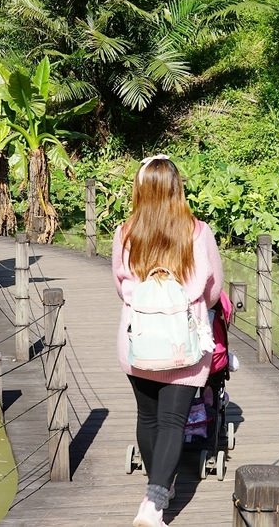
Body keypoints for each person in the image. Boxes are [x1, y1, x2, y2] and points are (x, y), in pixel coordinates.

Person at [113, 155, 223, 527]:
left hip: (138, 340)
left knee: (148, 417)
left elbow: (120, 287)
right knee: (173, 421)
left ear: (140, 189)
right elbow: (213, 293)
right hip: (183, 342)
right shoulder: (198, 232)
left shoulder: (126, 232)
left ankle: (156, 487)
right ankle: (154, 503)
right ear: (179, 187)